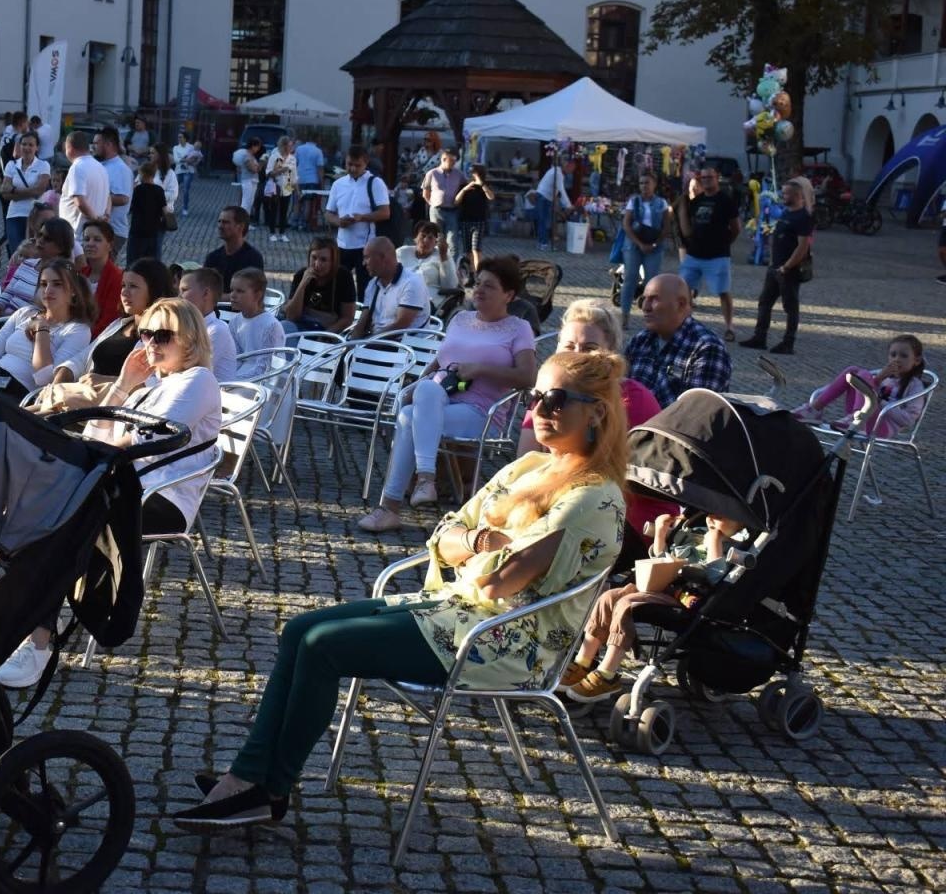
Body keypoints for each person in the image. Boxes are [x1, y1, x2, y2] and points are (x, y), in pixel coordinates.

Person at [175, 350, 627, 828]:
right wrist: (480, 542)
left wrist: (474, 552)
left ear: (596, 411)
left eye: (555, 399)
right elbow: (446, 533)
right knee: (300, 629)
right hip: (455, 612)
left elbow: (499, 583)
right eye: (535, 396)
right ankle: (251, 779)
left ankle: (265, 787)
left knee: (324, 646)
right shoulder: (530, 466)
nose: (538, 409)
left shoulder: (592, 497)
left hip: (505, 641)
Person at [0, 297, 222, 688]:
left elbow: (137, 443)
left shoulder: (198, 380)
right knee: (45, 515)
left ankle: (38, 640)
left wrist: (105, 442)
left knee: (62, 522)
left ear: (189, 340)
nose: (150, 343)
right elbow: (97, 436)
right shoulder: (151, 386)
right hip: (122, 490)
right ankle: (15, 620)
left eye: (163, 335)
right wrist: (122, 386)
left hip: (160, 499)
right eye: (147, 333)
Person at [359, 256, 537, 531]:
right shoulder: (461, 318)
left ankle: (391, 506)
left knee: (408, 418)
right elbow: (440, 361)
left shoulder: (518, 328)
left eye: (489, 286)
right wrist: (417, 385)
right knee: (419, 398)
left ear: (509, 294)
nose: (479, 290)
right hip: (441, 399)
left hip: (482, 412)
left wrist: (480, 369)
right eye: (477, 283)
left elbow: (527, 376)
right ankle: (425, 481)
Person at [516, 299, 673, 549]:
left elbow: (600, 477)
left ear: (609, 352)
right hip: (569, 501)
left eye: (589, 348)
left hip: (627, 518)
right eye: (568, 346)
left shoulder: (629, 398)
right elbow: (526, 461)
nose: (576, 355)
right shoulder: (548, 393)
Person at [562, 511, 743, 704]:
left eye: (721, 517)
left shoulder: (734, 548)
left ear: (740, 526)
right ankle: (583, 662)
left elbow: (717, 579)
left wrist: (715, 541)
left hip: (685, 596)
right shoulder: (694, 534)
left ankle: (607, 674)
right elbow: (661, 559)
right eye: (711, 514)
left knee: (626, 604)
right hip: (660, 584)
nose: (712, 519)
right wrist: (661, 533)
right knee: (608, 597)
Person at [47, 258, 179, 399]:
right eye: (123, 286)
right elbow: (82, 358)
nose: (124, 293)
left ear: (154, 290)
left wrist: (107, 381)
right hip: (81, 394)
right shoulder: (120, 324)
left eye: (133, 286)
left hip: (109, 408)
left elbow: (158, 384)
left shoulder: (163, 336)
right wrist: (65, 372)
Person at [0, 258, 95, 399]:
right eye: (43, 284)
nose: (48, 290)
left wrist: (41, 330)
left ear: (73, 291)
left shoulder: (78, 330)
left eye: (57, 284)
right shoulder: (24, 313)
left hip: (20, 397)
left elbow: (46, 380)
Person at [624, 273, 732, 407]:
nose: (645, 307)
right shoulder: (640, 341)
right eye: (643, 299)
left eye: (654, 299)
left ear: (680, 304)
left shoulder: (708, 349)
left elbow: (694, 416)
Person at [793, 334, 928, 437]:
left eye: (904, 356)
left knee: (862, 374)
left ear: (916, 360)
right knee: (852, 371)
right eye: (893, 355)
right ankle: (814, 409)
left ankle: (858, 420)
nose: (897, 359)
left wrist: (881, 402)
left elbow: (908, 420)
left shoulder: (915, 386)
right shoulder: (885, 378)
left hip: (882, 427)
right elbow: (869, 392)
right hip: (863, 417)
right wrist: (879, 378)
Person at [741, 176, 814, 354]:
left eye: (786, 193)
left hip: (788, 270)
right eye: (783, 192)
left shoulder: (803, 217)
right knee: (764, 302)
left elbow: (803, 246)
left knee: (790, 307)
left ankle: (788, 343)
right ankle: (760, 337)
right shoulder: (786, 213)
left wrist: (787, 266)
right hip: (774, 267)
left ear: (797, 195)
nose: (782, 196)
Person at [675, 165, 741, 339]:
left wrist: (726, 242)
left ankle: (729, 327)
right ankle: (685, 324)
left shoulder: (725, 200)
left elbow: (736, 228)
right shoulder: (697, 201)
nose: (706, 181)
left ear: (716, 177)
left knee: (723, 291)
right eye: (703, 178)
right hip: (694, 254)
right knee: (683, 289)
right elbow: (687, 225)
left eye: (709, 177)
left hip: (718, 255)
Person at [325, 145, 391, 300]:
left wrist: (362, 218)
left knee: (365, 290)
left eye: (357, 165)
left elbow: (385, 213)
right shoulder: (338, 184)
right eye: (349, 164)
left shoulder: (376, 183)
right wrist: (338, 221)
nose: (353, 169)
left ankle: (364, 320)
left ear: (366, 163)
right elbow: (328, 213)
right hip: (342, 245)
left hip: (366, 246)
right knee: (338, 287)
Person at [0, 218, 74, 322]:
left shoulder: (62, 276)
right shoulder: (27, 263)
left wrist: (10, 317)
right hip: (2, 320)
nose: (40, 240)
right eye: (39, 235)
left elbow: (47, 311)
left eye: (47, 239)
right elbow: (8, 293)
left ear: (62, 247)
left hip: (26, 326)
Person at [350, 236, 430, 340]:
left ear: (383, 258)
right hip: (378, 344)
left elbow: (400, 326)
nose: (363, 263)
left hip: (407, 349)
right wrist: (349, 347)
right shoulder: (373, 284)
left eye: (367, 257)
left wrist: (366, 344)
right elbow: (362, 323)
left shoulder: (412, 282)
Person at [620, 171, 673, 323]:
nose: (644, 186)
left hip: (654, 245)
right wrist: (639, 243)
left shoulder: (661, 203)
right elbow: (626, 224)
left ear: (654, 185)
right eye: (641, 183)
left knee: (652, 281)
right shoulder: (634, 201)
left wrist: (655, 244)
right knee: (630, 277)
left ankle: (650, 314)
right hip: (634, 244)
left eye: (647, 183)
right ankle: (625, 314)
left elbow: (666, 227)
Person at [280, 238, 357, 334]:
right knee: (281, 327)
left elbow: (347, 318)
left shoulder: (343, 277)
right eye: (314, 258)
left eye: (323, 260)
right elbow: (291, 317)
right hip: (299, 325)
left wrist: (326, 335)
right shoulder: (301, 275)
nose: (317, 264)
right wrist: (302, 285)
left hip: (325, 330)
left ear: (333, 261)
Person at [177, 267, 239, 381]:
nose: (179, 297)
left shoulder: (217, 330)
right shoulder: (189, 327)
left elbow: (190, 373)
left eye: (184, 290)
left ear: (205, 293)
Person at [0, 131, 50, 268]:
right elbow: (4, 193)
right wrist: (30, 192)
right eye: (24, 144)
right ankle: (13, 282)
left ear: (37, 147)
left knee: (34, 253)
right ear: (19, 146)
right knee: (18, 252)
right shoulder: (11, 165)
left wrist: (14, 191)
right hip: (14, 214)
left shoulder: (43, 165)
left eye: (31, 145)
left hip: (35, 216)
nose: (27, 148)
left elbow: (39, 191)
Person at [228, 268, 284, 375]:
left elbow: (265, 368)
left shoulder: (271, 326)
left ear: (257, 295)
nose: (233, 295)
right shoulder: (234, 322)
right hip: (241, 375)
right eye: (232, 290)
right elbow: (236, 358)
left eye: (240, 291)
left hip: (264, 382)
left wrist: (234, 381)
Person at [61, 133, 115, 241]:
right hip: (92, 233)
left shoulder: (77, 167)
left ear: (69, 148)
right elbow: (108, 196)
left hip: (77, 234)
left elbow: (79, 201)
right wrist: (106, 215)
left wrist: (96, 221)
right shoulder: (101, 167)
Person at [202, 206, 265, 292]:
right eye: (219, 221)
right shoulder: (213, 257)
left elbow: (251, 294)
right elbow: (203, 290)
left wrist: (215, 298)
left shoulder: (253, 258)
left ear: (240, 227)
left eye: (225, 222)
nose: (220, 226)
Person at [79, 220, 125, 336]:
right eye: (86, 239)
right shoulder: (81, 273)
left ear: (109, 246)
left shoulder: (117, 278)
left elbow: (108, 322)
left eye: (97, 239)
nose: (90, 243)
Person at [421, 148, 464, 260]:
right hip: (436, 211)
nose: (454, 163)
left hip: (452, 211)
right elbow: (425, 193)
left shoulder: (459, 174)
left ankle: (452, 268)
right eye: (452, 161)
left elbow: (466, 187)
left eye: (455, 161)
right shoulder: (432, 173)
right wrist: (432, 204)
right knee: (436, 239)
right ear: (444, 159)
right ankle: (435, 264)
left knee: (453, 241)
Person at [397, 221, 458, 299]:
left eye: (430, 238)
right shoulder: (402, 253)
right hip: (401, 297)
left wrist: (443, 256)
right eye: (423, 236)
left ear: (436, 242)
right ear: (415, 238)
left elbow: (450, 286)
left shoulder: (443, 254)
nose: (426, 241)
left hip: (429, 300)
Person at [95, 126, 133, 246]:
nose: (93, 146)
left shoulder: (120, 169)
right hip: (101, 230)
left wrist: (92, 197)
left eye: (97, 143)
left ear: (108, 144)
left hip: (113, 232)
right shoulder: (102, 165)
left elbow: (123, 199)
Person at [455, 165, 494, 275]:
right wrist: (465, 189)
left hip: (479, 221)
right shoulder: (464, 186)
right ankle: (471, 273)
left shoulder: (484, 186)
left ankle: (478, 274)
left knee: (476, 249)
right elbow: (456, 201)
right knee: (467, 251)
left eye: (474, 173)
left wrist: (481, 184)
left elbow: (491, 197)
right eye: (471, 173)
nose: (472, 175)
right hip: (465, 220)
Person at [128, 162, 169, 265]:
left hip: (137, 230)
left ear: (143, 174)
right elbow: (165, 210)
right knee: (150, 262)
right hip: (153, 231)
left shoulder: (138, 189)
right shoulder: (159, 190)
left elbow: (130, 207)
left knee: (133, 261)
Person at [264, 137, 298, 243]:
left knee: (284, 210)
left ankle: (282, 233)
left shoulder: (292, 158)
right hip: (276, 186)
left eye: (292, 145)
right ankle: (272, 233)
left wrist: (297, 190)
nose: (292, 147)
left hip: (287, 186)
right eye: (290, 145)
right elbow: (269, 172)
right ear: (284, 146)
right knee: (274, 209)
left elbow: (294, 175)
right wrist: (281, 170)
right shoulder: (275, 156)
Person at [533, 162, 571, 251]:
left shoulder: (555, 171)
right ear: (566, 166)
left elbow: (558, 191)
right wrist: (568, 205)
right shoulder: (558, 174)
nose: (571, 171)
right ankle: (543, 243)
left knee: (543, 220)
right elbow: (561, 190)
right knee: (544, 221)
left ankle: (541, 242)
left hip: (544, 196)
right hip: (544, 197)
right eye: (571, 168)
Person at [292, 136, 325, 228]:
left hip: (300, 178)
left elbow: (294, 163)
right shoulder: (318, 151)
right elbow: (320, 168)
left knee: (297, 201)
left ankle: (295, 222)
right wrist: (321, 182)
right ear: (317, 140)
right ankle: (304, 223)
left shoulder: (299, 149)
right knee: (308, 202)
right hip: (312, 179)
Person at [233, 137, 263, 216]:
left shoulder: (251, 155)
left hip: (252, 181)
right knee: (246, 202)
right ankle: (242, 222)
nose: (258, 149)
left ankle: (246, 222)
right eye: (258, 147)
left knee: (249, 202)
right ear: (253, 146)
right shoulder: (247, 156)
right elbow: (253, 169)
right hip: (248, 181)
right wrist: (261, 163)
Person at [172, 132, 201, 213]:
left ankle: (185, 208)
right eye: (178, 137)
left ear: (185, 138)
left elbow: (197, 157)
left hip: (188, 171)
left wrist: (189, 161)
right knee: (173, 189)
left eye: (180, 137)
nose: (179, 139)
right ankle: (170, 206)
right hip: (178, 171)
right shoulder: (175, 148)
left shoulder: (191, 147)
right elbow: (175, 160)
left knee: (185, 190)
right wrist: (186, 160)